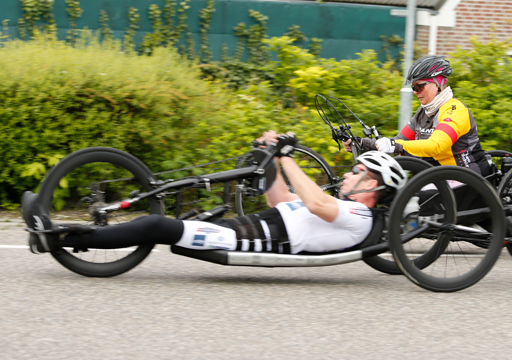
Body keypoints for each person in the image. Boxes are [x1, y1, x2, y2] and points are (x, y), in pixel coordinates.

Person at [24, 131, 407, 255]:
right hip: (252, 226)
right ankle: (57, 234)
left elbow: (313, 202)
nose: (346, 174)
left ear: (373, 184)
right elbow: (285, 203)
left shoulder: (358, 217)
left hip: (247, 241)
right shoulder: (340, 209)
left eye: (356, 171)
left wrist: (289, 159)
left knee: (156, 225)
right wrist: (269, 159)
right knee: (161, 223)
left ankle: (55, 238)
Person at [345, 55, 491, 177]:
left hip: (467, 175)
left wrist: (397, 145)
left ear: (439, 84)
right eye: (414, 87)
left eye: (420, 86)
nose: (415, 91)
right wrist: (362, 143)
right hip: (439, 176)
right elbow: (398, 142)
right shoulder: (423, 112)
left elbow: (436, 146)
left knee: (419, 200)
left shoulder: (454, 110)